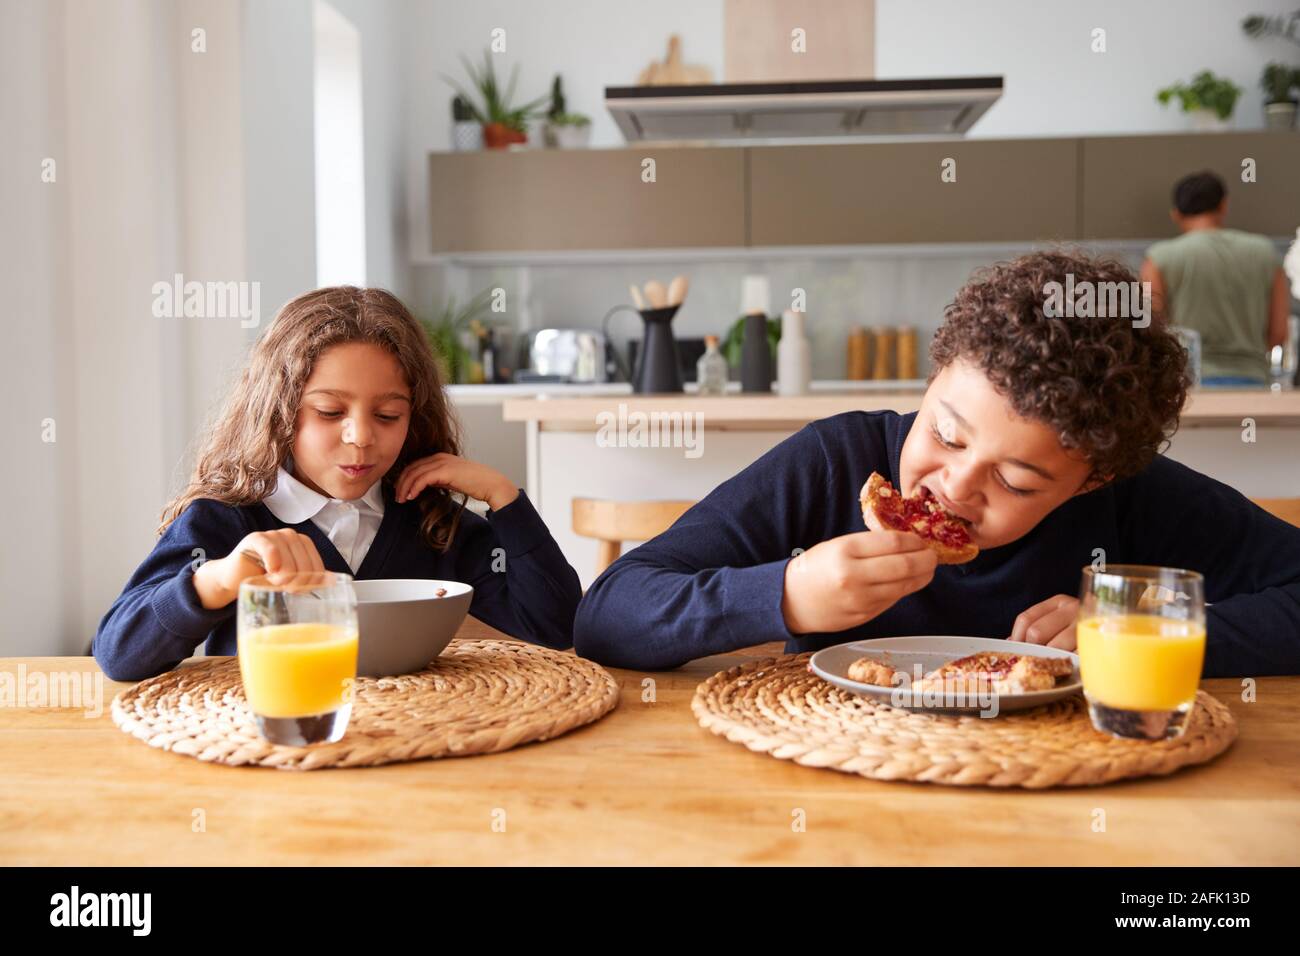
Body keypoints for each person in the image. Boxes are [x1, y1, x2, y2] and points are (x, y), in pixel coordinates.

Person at [574, 251, 1300, 677]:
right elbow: (609, 614)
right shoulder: (834, 460)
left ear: (1094, 478)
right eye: (948, 436)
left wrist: (1128, 632)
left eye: (1016, 482)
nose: (953, 486)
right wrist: (786, 593)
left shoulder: (1133, 496)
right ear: (931, 380)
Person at [94, 287, 581, 681]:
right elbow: (118, 653)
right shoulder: (227, 519)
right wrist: (219, 579)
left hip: (416, 746)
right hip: (272, 750)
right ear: (280, 412)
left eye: (388, 415)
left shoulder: (432, 521)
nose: (362, 437)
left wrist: (506, 499)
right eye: (330, 412)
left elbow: (555, 625)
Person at [1140, 170, 1291, 386]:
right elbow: (1278, 333)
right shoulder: (1266, 253)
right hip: (1253, 381)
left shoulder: (1159, 258)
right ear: (1223, 205)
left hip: (1189, 382)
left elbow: (1150, 330)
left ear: (1176, 214)